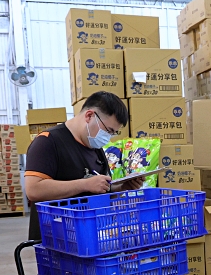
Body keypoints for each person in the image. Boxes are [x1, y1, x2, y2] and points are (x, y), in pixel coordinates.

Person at [23, 91, 133, 241]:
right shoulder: (48, 142)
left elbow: (96, 189)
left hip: (90, 235)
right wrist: (84, 184)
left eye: (113, 133)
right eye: (108, 131)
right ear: (89, 116)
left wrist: (120, 188)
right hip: (58, 238)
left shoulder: (95, 148)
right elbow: (33, 190)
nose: (107, 137)